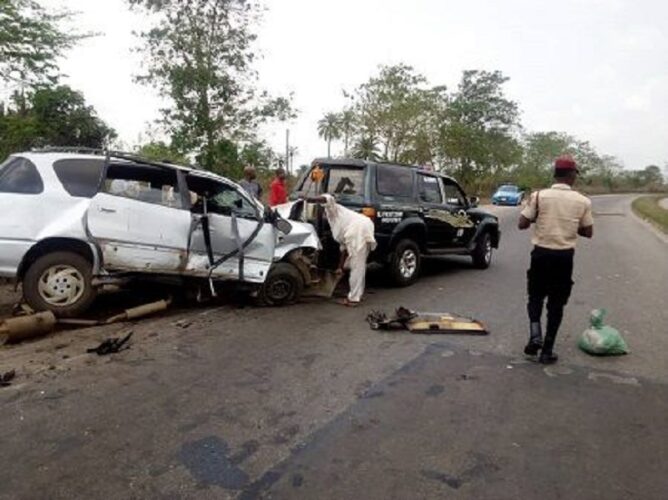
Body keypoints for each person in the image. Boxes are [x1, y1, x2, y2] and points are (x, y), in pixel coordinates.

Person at [518, 155, 594, 364]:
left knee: (535, 296)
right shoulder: (582, 201)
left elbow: (522, 223)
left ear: (555, 174)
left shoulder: (539, 196)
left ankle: (535, 334)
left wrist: (538, 217)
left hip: (540, 254)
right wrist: (570, 224)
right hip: (563, 258)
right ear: (571, 175)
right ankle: (547, 351)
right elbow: (588, 232)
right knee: (556, 304)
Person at [307, 194, 377, 306]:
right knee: (358, 265)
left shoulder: (333, 211)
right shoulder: (337, 222)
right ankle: (357, 294)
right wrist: (340, 267)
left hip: (358, 230)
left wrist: (311, 198)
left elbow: (328, 199)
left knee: (356, 267)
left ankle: (354, 299)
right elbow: (343, 248)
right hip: (364, 227)